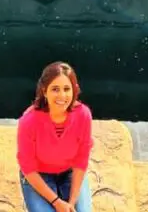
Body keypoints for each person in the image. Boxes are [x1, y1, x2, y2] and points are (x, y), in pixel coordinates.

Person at [17, 62, 94, 212]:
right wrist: (57, 202)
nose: (62, 96)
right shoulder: (29, 121)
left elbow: (81, 159)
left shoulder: (83, 115)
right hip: (39, 176)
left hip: (69, 173)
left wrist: (71, 203)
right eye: (55, 89)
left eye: (67, 89)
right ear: (44, 91)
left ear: (74, 90)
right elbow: (28, 167)